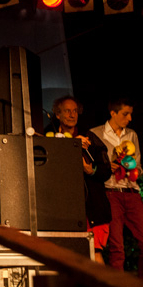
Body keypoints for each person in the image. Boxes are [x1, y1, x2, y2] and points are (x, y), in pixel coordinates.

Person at [91, 98, 143, 281]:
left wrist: (132, 167)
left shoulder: (131, 135)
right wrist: (106, 167)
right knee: (117, 246)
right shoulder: (96, 134)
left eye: (130, 114)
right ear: (113, 113)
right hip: (110, 192)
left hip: (131, 192)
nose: (130, 118)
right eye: (125, 114)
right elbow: (91, 166)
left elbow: (138, 167)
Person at [45, 96, 111, 264]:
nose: (72, 114)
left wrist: (91, 170)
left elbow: (106, 170)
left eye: (75, 111)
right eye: (67, 111)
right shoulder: (47, 137)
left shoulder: (90, 138)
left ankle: (101, 283)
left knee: (95, 254)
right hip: (63, 210)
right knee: (68, 257)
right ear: (57, 114)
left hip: (92, 208)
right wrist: (72, 144)